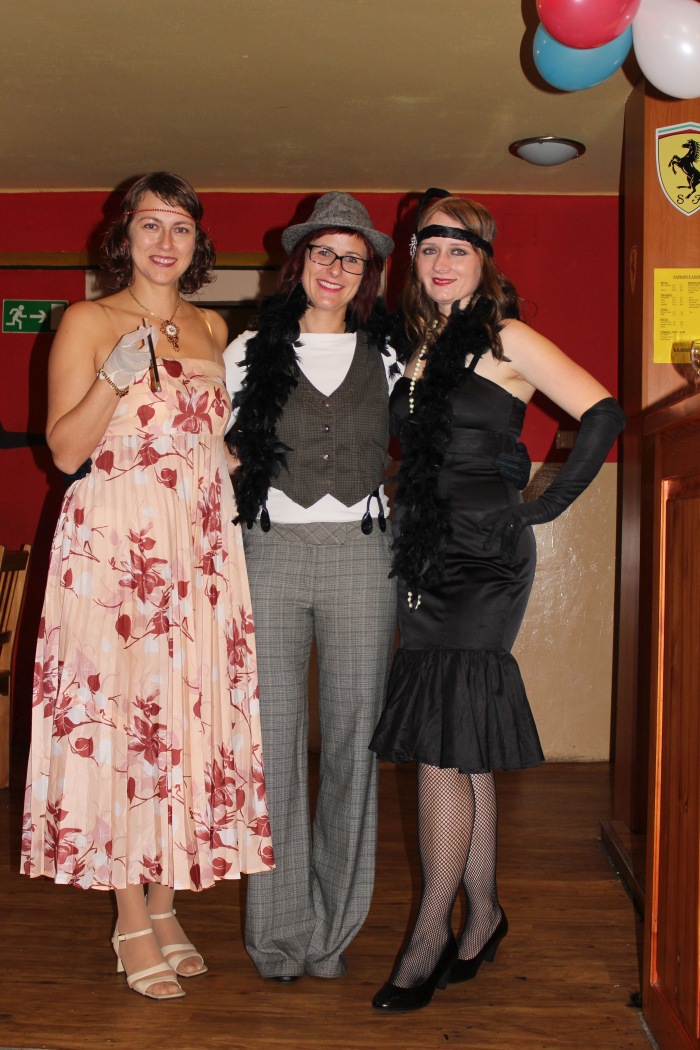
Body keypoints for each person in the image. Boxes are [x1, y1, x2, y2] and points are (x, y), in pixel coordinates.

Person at [369, 190, 626, 1012]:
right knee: (461, 742)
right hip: (423, 552)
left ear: (484, 262)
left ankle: (429, 934)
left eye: (460, 248)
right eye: (429, 247)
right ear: (414, 260)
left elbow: (603, 412)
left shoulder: (505, 337)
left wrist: (543, 503)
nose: (443, 261)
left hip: (485, 557)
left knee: (441, 746)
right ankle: (483, 914)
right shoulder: (412, 347)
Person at [21, 171, 273, 1001]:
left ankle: (166, 906)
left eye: (182, 228)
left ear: (199, 244)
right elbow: (64, 451)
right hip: (115, 549)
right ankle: (129, 916)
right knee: (126, 726)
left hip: (199, 549)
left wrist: (256, 456)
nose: (166, 242)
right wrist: (113, 378)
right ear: (124, 236)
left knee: (187, 724)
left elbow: (213, 448)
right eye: (151, 225)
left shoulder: (212, 325)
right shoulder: (86, 321)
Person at [223, 192, 399, 982]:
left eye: (351, 257)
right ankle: (278, 935)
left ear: (367, 275)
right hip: (270, 550)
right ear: (299, 263)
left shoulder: (389, 355)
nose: (336, 267)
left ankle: (332, 933)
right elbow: (211, 439)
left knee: (356, 739)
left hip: (362, 550)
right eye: (324, 252)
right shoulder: (247, 350)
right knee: (274, 742)